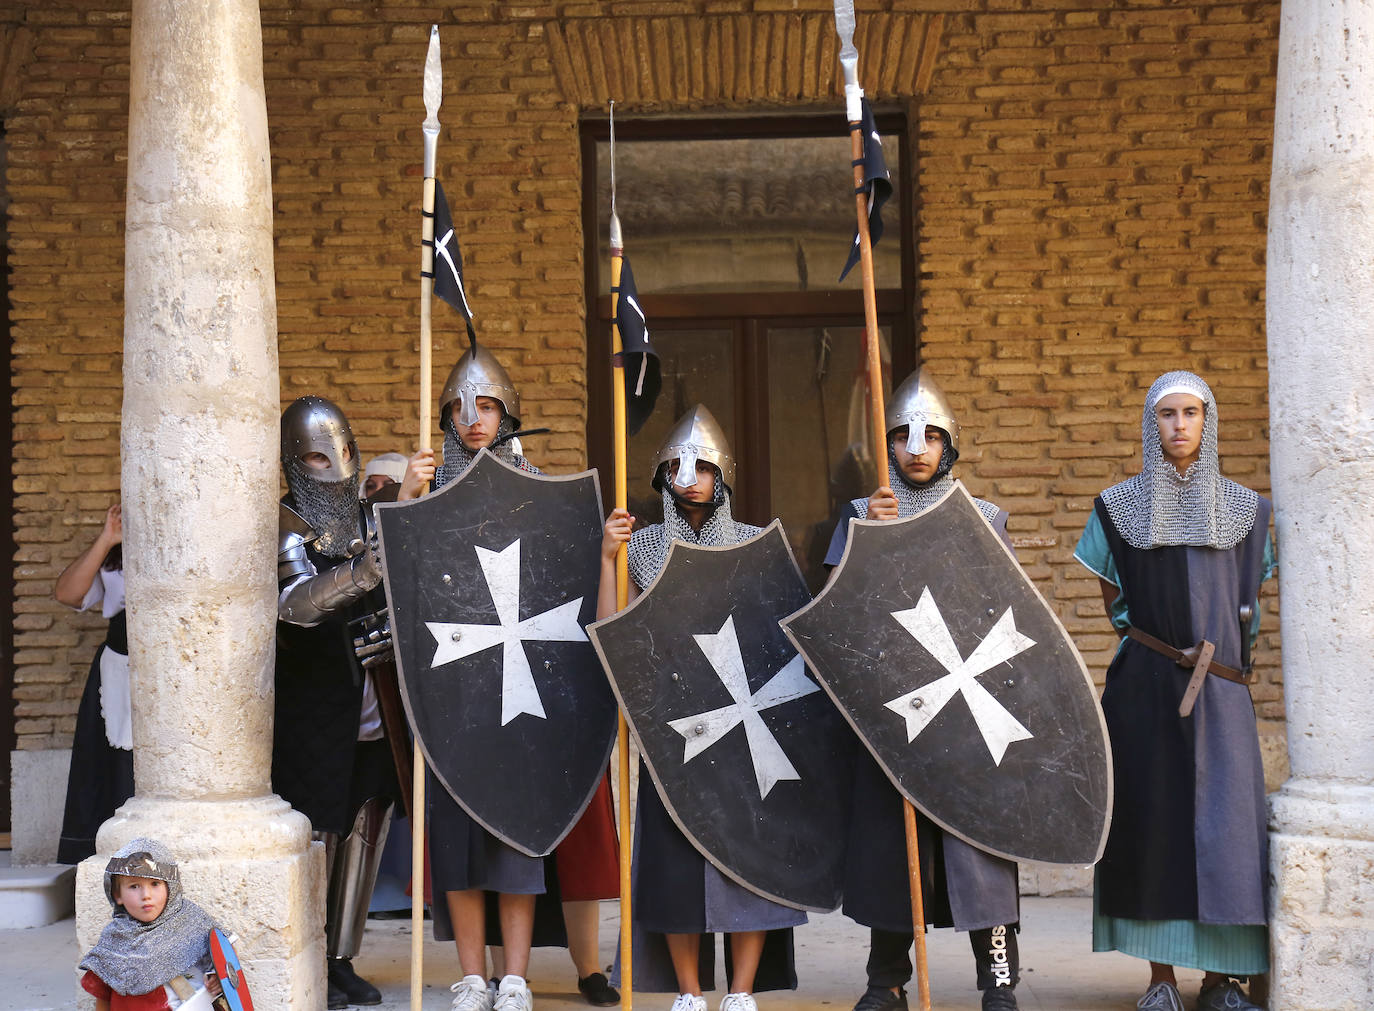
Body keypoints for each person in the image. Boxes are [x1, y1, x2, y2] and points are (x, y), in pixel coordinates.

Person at [400, 343, 620, 1011]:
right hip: (455, 691)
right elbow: (391, 582)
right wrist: (406, 499)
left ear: (510, 415)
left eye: (488, 405)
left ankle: (524, 975)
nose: (474, 418)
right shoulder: (427, 494)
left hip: (535, 686)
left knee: (526, 833)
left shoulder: (547, 496)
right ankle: (475, 975)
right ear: (445, 416)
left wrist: (607, 551)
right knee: (464, 846)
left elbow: (576, 592)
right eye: (461, 407)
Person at [1073, 371, 1273, 1011]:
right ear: (1150, 423)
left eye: (1190, 413)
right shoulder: (1119, 507)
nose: (1179, 425)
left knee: (1227, 835)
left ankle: (1222, 982)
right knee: (1152, 828)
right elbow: (1114, 600)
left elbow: (1254, 604)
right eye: (1167, 414)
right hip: (1148, 691)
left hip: (1221, 693)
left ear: (1208, 421)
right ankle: (1160, 980)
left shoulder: (1248, 512)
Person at [823, 368, 1021, 1011]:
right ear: (886, 445)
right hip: (892, 708)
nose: (916, 448)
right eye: (903, 437)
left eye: (930, 436)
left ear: (949, 445)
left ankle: (999, 983)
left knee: (978, 849)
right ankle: (887, 983)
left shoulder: (985, 518)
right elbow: (836, 614)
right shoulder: (859, 516)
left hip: (965, 705)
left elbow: (1008, 617)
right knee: (891, 852)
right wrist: (867, 540)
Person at [600, 404, 802, 1011]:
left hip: (748, 718)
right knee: (676, 863)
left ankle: (741, 992)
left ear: (722, 477)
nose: (689, 477)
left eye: (701, 467)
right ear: (662, 477)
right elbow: (614, 628)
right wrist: (609, 556)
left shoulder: (754, 542)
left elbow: (782, 634)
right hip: (673, 723)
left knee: (749, 857)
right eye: (676, 467)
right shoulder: (644, 546)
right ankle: (689, 991)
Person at [275, 396, 401, 1009]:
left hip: (377, 702)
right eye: (319, 455)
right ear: (296, 462)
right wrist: (362, 573)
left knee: (365, 823)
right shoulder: (287, 525)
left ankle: (342, 957)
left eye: (343, 452)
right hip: (315, 705)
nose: (334, 466)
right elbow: (294, 604)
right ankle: (309, 953)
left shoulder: (373, 520)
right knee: (319, 825)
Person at [54, 502, 134, 865]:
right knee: (114, 769)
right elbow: (67, 594)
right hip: (120, 664)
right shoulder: (114, 555)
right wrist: (107, 538)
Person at [79, 837, 221, 1011]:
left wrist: (218, 977)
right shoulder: (114, 939)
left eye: (155, 884)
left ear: (171, 887)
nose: (146, 895)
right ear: (117, 895)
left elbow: (224, 953)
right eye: (134, 886)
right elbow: (103, 996)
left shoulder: (192, 921)